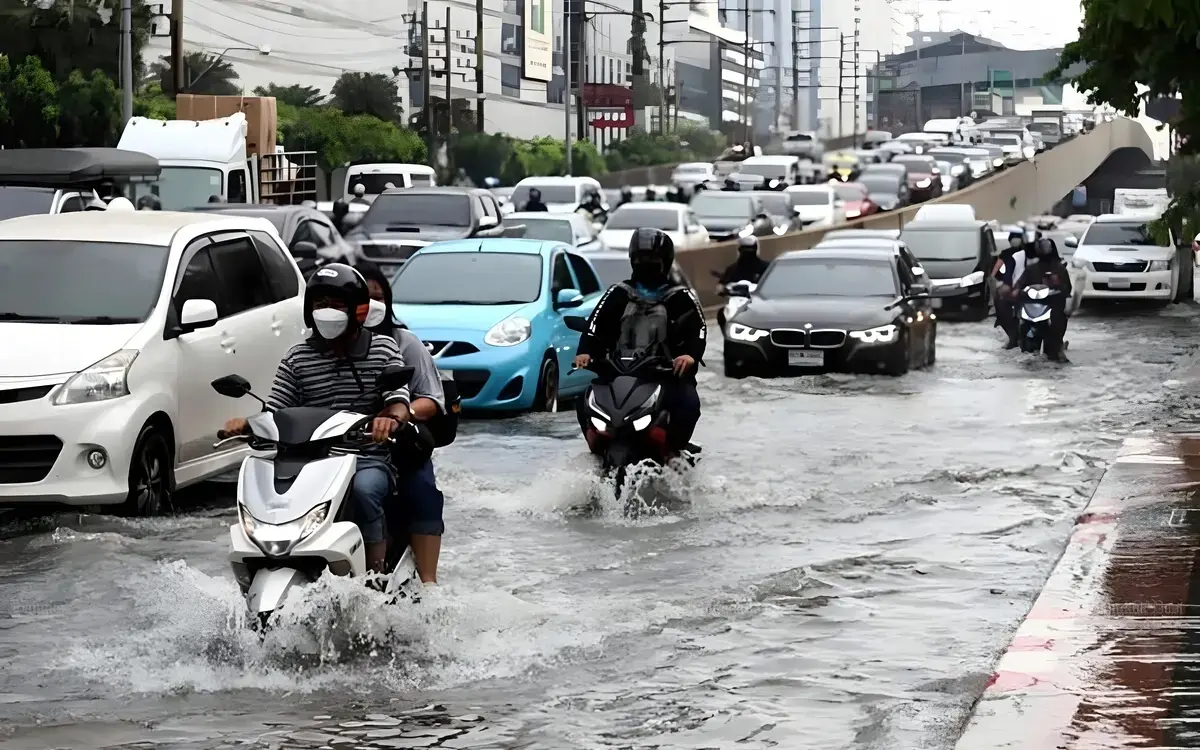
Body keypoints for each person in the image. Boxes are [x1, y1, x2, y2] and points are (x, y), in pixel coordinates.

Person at [220, 264, 416, 575]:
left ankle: (375, 574)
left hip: (365, 456)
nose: (327, 312)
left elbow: (399, 403)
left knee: (365, 491)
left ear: (358, 310)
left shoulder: (381, 348)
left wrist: (389, 419)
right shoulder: (298, 357)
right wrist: (246, 424)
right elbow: (275, 411)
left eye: (336, 305)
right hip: (305, 461)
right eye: (320, 304)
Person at [356, 261, 452, 583]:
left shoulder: (400, 343)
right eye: (363, 297)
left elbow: (432, 399)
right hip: (337, 447)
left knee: (420, 491)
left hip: (395, 445)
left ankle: (428, 583)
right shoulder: (314, 349)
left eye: (378, 297)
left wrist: (399, 415)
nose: (372, 305)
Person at [572, 229, 706, 453]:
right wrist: (585, 351)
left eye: (653, 260)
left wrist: (689, 356)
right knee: (584, 400)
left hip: (666, 374)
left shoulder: (681, 296)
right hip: (618, 372)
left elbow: (698, 330)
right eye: (641, 259)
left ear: (665, 261)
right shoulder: (618, 292)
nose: (647, 264)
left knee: (688, 404)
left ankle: (674, 451)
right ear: (632, 260)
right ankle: (596, 447)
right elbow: (595, 325)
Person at [1017, 237, 1072, 363]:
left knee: (1058, 322)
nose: (1044, 250)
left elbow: (1067, 288)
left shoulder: (1059, 268)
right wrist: (1019, 293)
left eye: (1047, 247)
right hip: (1033, 307)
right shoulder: (1032, 269)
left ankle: (1057, 349)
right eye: (1042, 247)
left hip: (1053, 306)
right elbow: (1021, 286)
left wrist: (1059, 291)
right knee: (1021, 322)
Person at [991, 229, 1030, 349]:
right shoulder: (1006, 253)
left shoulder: (1027, 254)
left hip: (1025, 286)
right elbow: (996, 269)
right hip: (1009, 286)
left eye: (1018, 238)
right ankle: (1013, 338)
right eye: (1014, 238)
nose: (1015, 240)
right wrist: (997, 280)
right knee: (1002, 311)